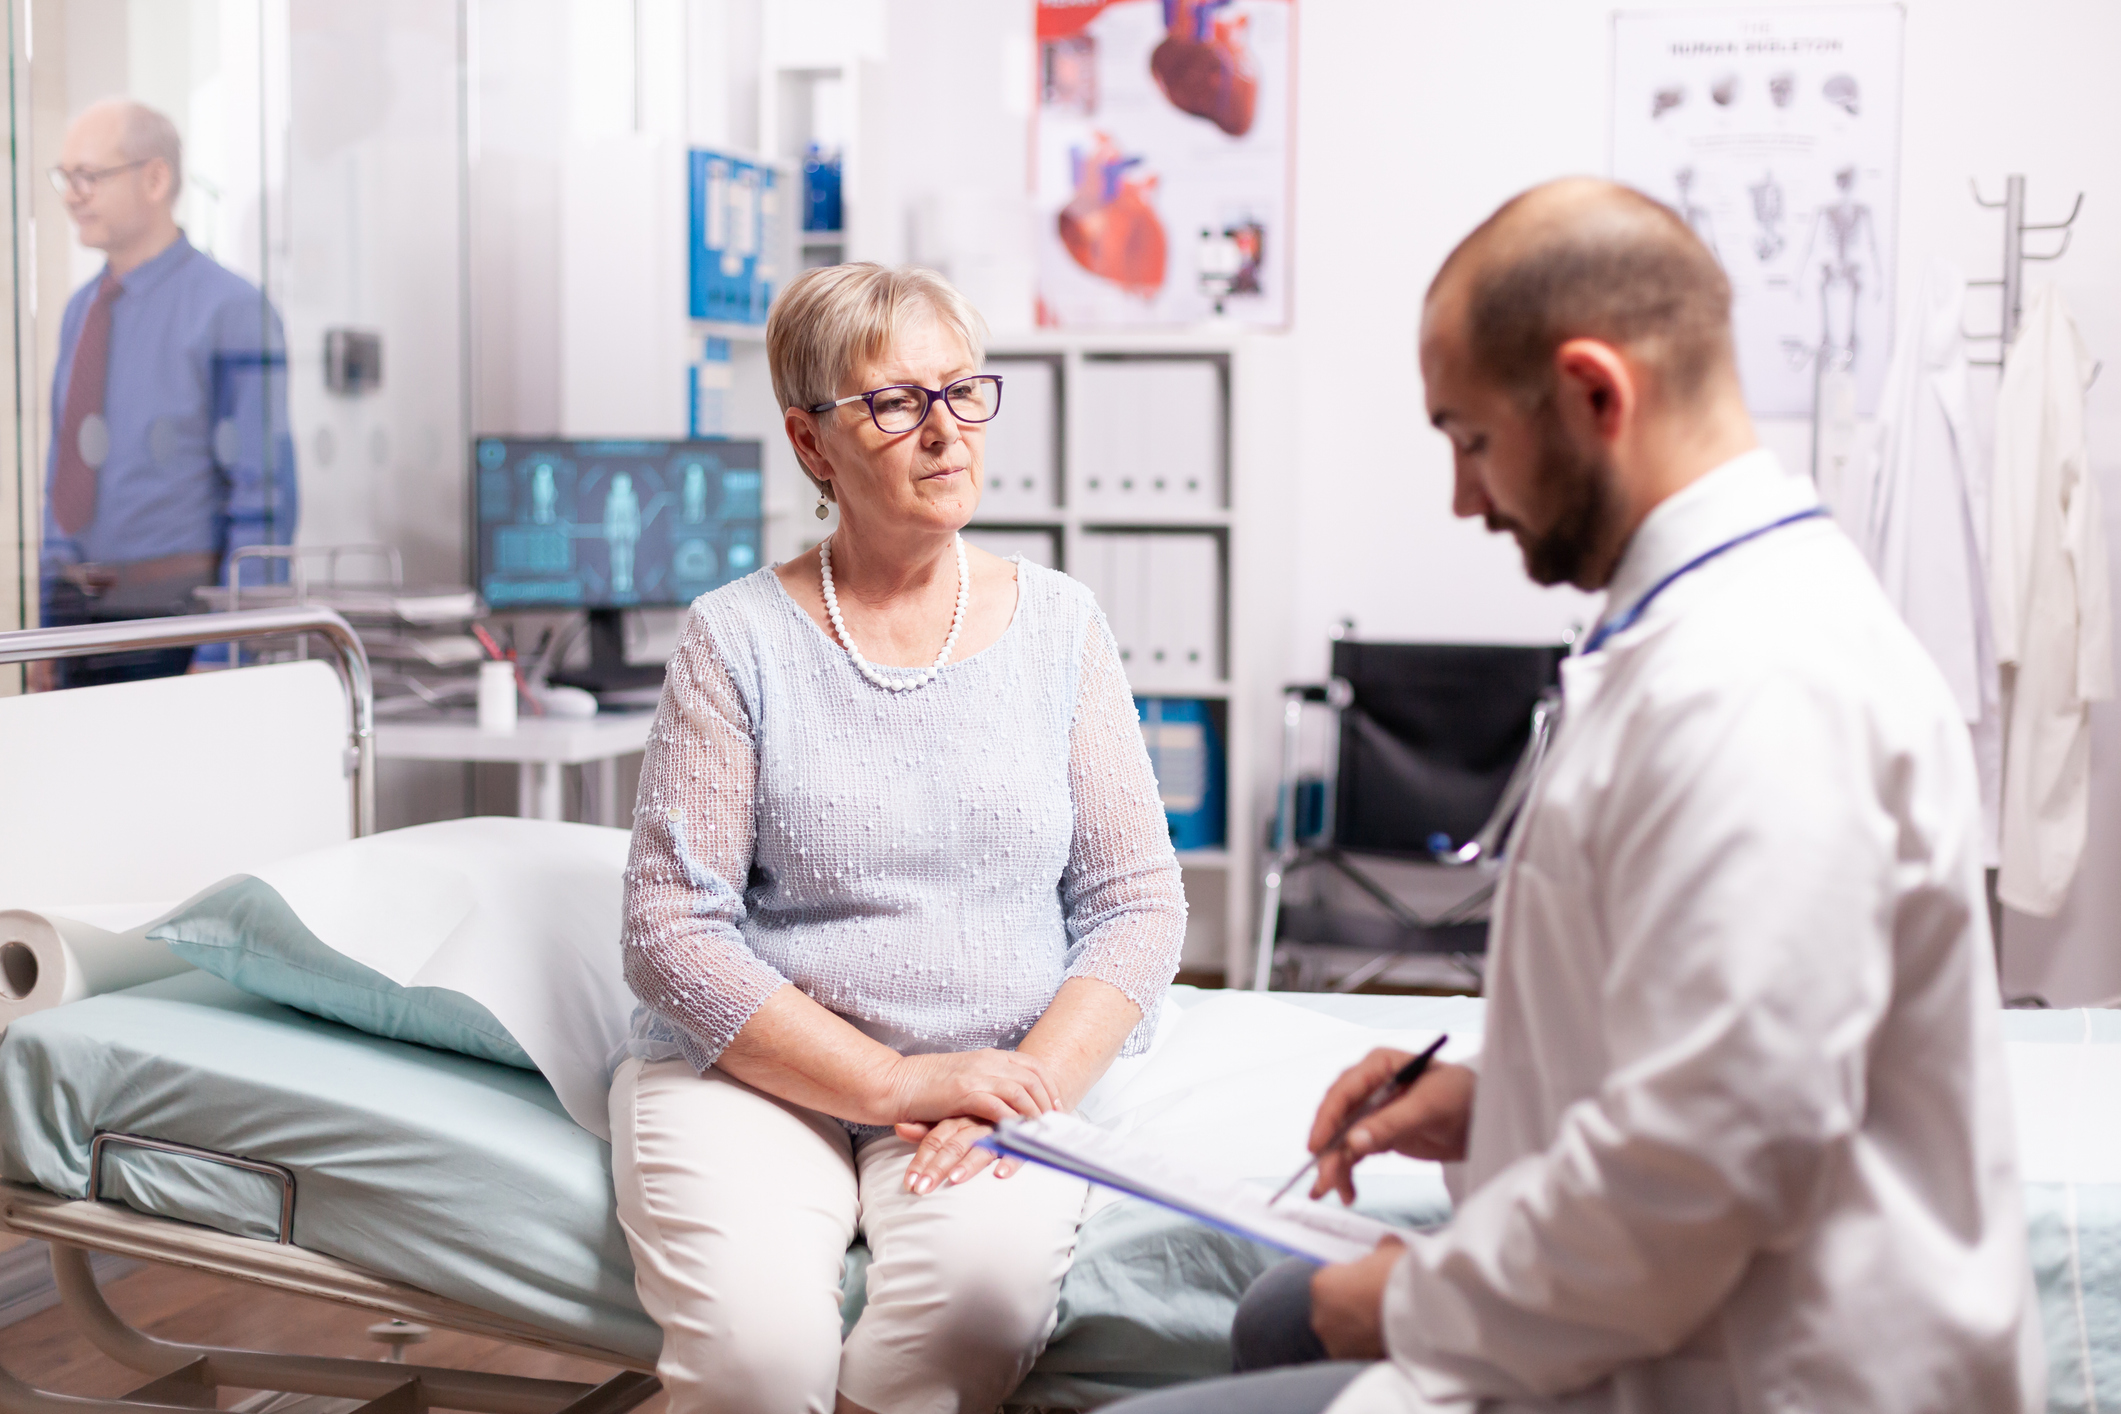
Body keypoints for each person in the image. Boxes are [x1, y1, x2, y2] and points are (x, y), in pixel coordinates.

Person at [1115, 178, 2042, 1413]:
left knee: (1264, 1339)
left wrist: (1400, 1303)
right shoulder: (1697, 633)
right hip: (1654, 1323)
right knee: (1281, 1312)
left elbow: (1703, 1165)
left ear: (1597, 394)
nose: (1463, 497)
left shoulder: (1756, 686)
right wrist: (1494, 1102)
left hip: (1761, 1374)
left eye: (1471, 440)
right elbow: (1699, 1035)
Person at [610, 262, 1187, 1414]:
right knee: (756, 1362)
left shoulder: (1061, 625)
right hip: (767, 1080)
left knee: (965, 1316)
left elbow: (1136, 903)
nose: (943, 431)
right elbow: (669, 932)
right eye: (893, 402)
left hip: (996, 1076)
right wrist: (891, 1078)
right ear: (811, 444)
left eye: (963, 392)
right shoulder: (736, 638)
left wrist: (1022, 1089)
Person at [34, 98, 295, 689]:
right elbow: (64, 481)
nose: (72, 194)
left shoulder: (231, 311)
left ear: (156, 179)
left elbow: (266, 502)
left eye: (89, 176)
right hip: (78, 627)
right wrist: (49, 631)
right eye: (64, 177)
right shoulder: (82, 311)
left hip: (175, 631)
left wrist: (225, 648)